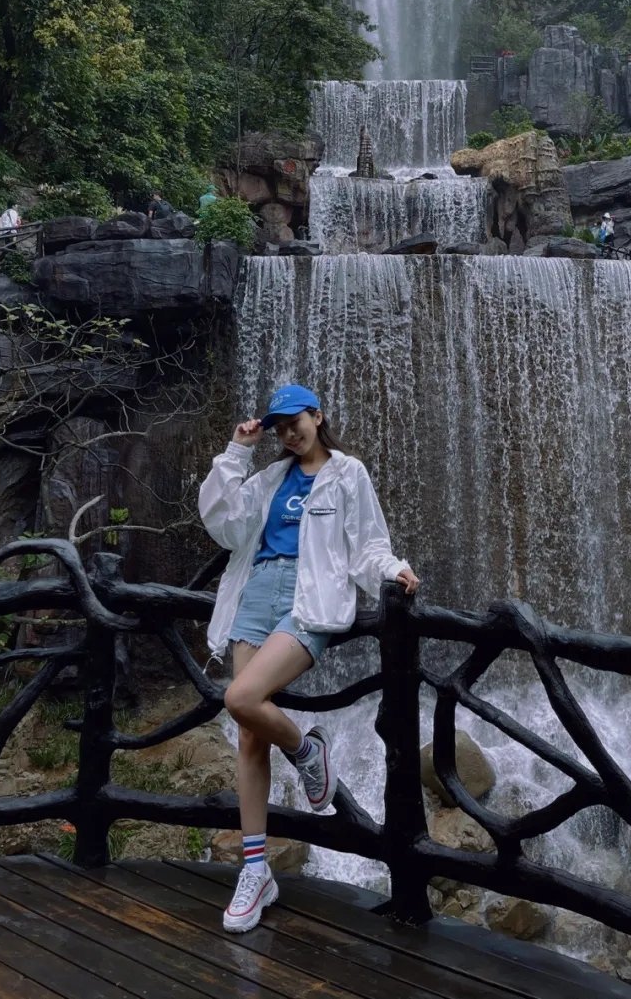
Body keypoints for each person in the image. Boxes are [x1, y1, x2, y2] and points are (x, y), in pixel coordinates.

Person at [199, 384, 419, 935]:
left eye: (294, 421)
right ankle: (256, 870)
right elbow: (223, 524)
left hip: (307, 600)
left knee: (241, 698)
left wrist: (392, 569)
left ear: (318, 416)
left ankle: (304, 748)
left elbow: (367, 545)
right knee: (248, 734)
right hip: (257, 594)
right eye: (278, 427)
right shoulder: (270, 479)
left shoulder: (348, 473)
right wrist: (237, 451)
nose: (287, 432)